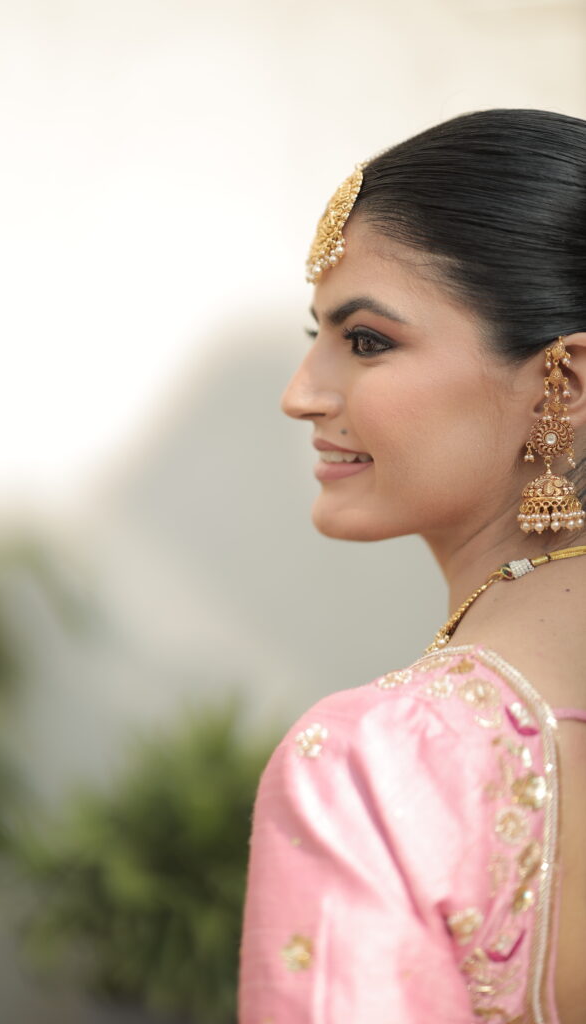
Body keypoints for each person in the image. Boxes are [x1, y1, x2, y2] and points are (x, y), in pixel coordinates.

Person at [237, 109, 586, 1024]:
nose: (299, 394)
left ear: (565, 384)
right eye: (316, 335)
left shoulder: (378, 765)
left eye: (365, 340)